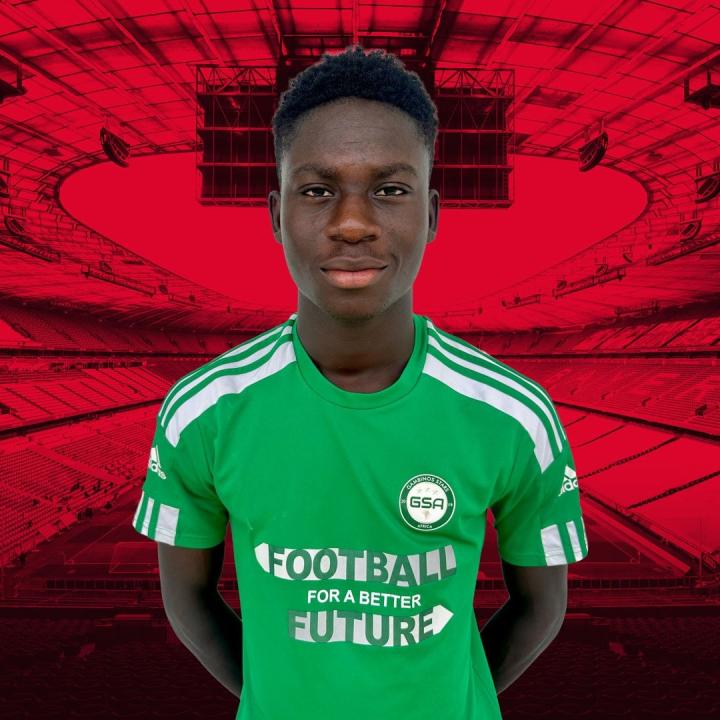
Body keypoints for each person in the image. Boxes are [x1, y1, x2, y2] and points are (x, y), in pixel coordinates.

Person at [131, 44, 589, 720]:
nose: (352, 224)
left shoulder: (514, 414)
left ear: (431, 214)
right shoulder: (203, 410)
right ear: (275, 214)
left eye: (390, 190)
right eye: (317, 191)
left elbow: (541, 604)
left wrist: (451, 699)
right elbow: (187, 599)